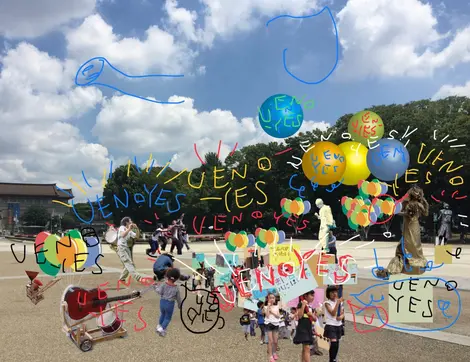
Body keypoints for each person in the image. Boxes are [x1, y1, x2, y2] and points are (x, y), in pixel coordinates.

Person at [377, 186, 429, 278]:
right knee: (414, 245)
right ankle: (415, 264)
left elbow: (407, 214)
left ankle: (398, 267)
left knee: (406, 245)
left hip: (409, 226)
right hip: (414, 226)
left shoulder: (411, 204)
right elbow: (423, 213)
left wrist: (394, 212)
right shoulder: (419, 204)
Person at [155, 268, 183, 337]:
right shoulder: (176, 288)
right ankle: (161, 329)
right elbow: (178, 298)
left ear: (167, 276)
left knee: (162, 314)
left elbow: (159, 291)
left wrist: (155, 286)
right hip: (170, 304)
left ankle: (159, 326)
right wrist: (180, 305)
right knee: (167, 318)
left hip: (162, 302)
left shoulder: (164, 285)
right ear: (176, 278)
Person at [117, 217, 142, 283]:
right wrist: (129, 229)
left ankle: (122, 278)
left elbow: (137, 237)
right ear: (127, 222)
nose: (131, 222)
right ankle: (138, 278)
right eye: (130, 221)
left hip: (126, 247)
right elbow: (122, 235)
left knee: (128, 263)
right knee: (128, 263)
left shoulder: (129, 230)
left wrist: (136, 229)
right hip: (121, 247)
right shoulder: (122, 227)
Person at [293, 290, 315, 362]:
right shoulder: (300, 304)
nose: (313, 297)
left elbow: (314, 319)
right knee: (307, 348)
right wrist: (303, 305)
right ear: (305, 296)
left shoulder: (310, 307)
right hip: (302, 328)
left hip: (308, 328)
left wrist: (312, 315)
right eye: (311, 295)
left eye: (313, 295)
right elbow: (300, 316)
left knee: (305, 348)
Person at [323, 286, 344, 362]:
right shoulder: (327, 303)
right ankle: (331, 359)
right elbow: (332, 313)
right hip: (331, 325)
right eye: (332, 292)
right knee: (334, 343)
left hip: (338, 325)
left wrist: (340, 317)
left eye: (335, 292)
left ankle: (334, 358)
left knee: (337, 342)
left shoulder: (340, 302)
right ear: (328, 294)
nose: (334, 294)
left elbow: (342, 313)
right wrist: (337, 303)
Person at [264, 293, 281, 362]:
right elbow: (267, 316)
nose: (271, 299)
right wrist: (268, 307)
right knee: (270, 341)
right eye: (270, 298)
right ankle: (270, 356)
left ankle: (274, 353)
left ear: (275, 299)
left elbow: (278, 316)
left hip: (276, 324)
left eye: (273, 298)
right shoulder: (265, 307)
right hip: (269, 324)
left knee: (276, 341)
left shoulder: (277, 306)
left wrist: (272, 312)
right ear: (268, 299)